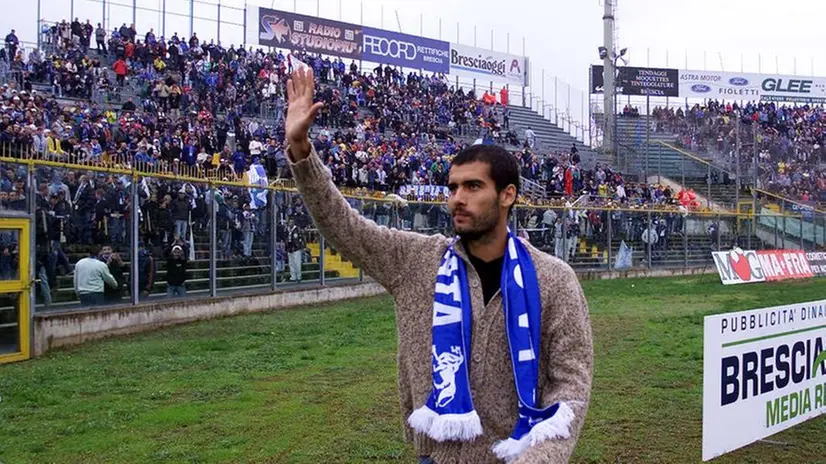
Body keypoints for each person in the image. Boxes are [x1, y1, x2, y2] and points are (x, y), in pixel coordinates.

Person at [284, 68, 593, 464]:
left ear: (508, 195)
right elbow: (344, 226)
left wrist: (539, 459)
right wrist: (301, 150)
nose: (457, 199)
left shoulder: (554, 279)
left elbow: (570, 385)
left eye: (473, 187)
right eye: (452, 188)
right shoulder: (416, 261)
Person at [286, 218, 304, 282]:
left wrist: (301, 247)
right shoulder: (287, 229)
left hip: (296, 248)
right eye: (289, 222)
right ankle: (293, 277)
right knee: (291, 263)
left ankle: (299, 276)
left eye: (291, 222)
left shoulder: (297, 229)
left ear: (294, 223)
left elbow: (300, 238)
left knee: (297, 263)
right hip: (289, 248)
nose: (290, 223)